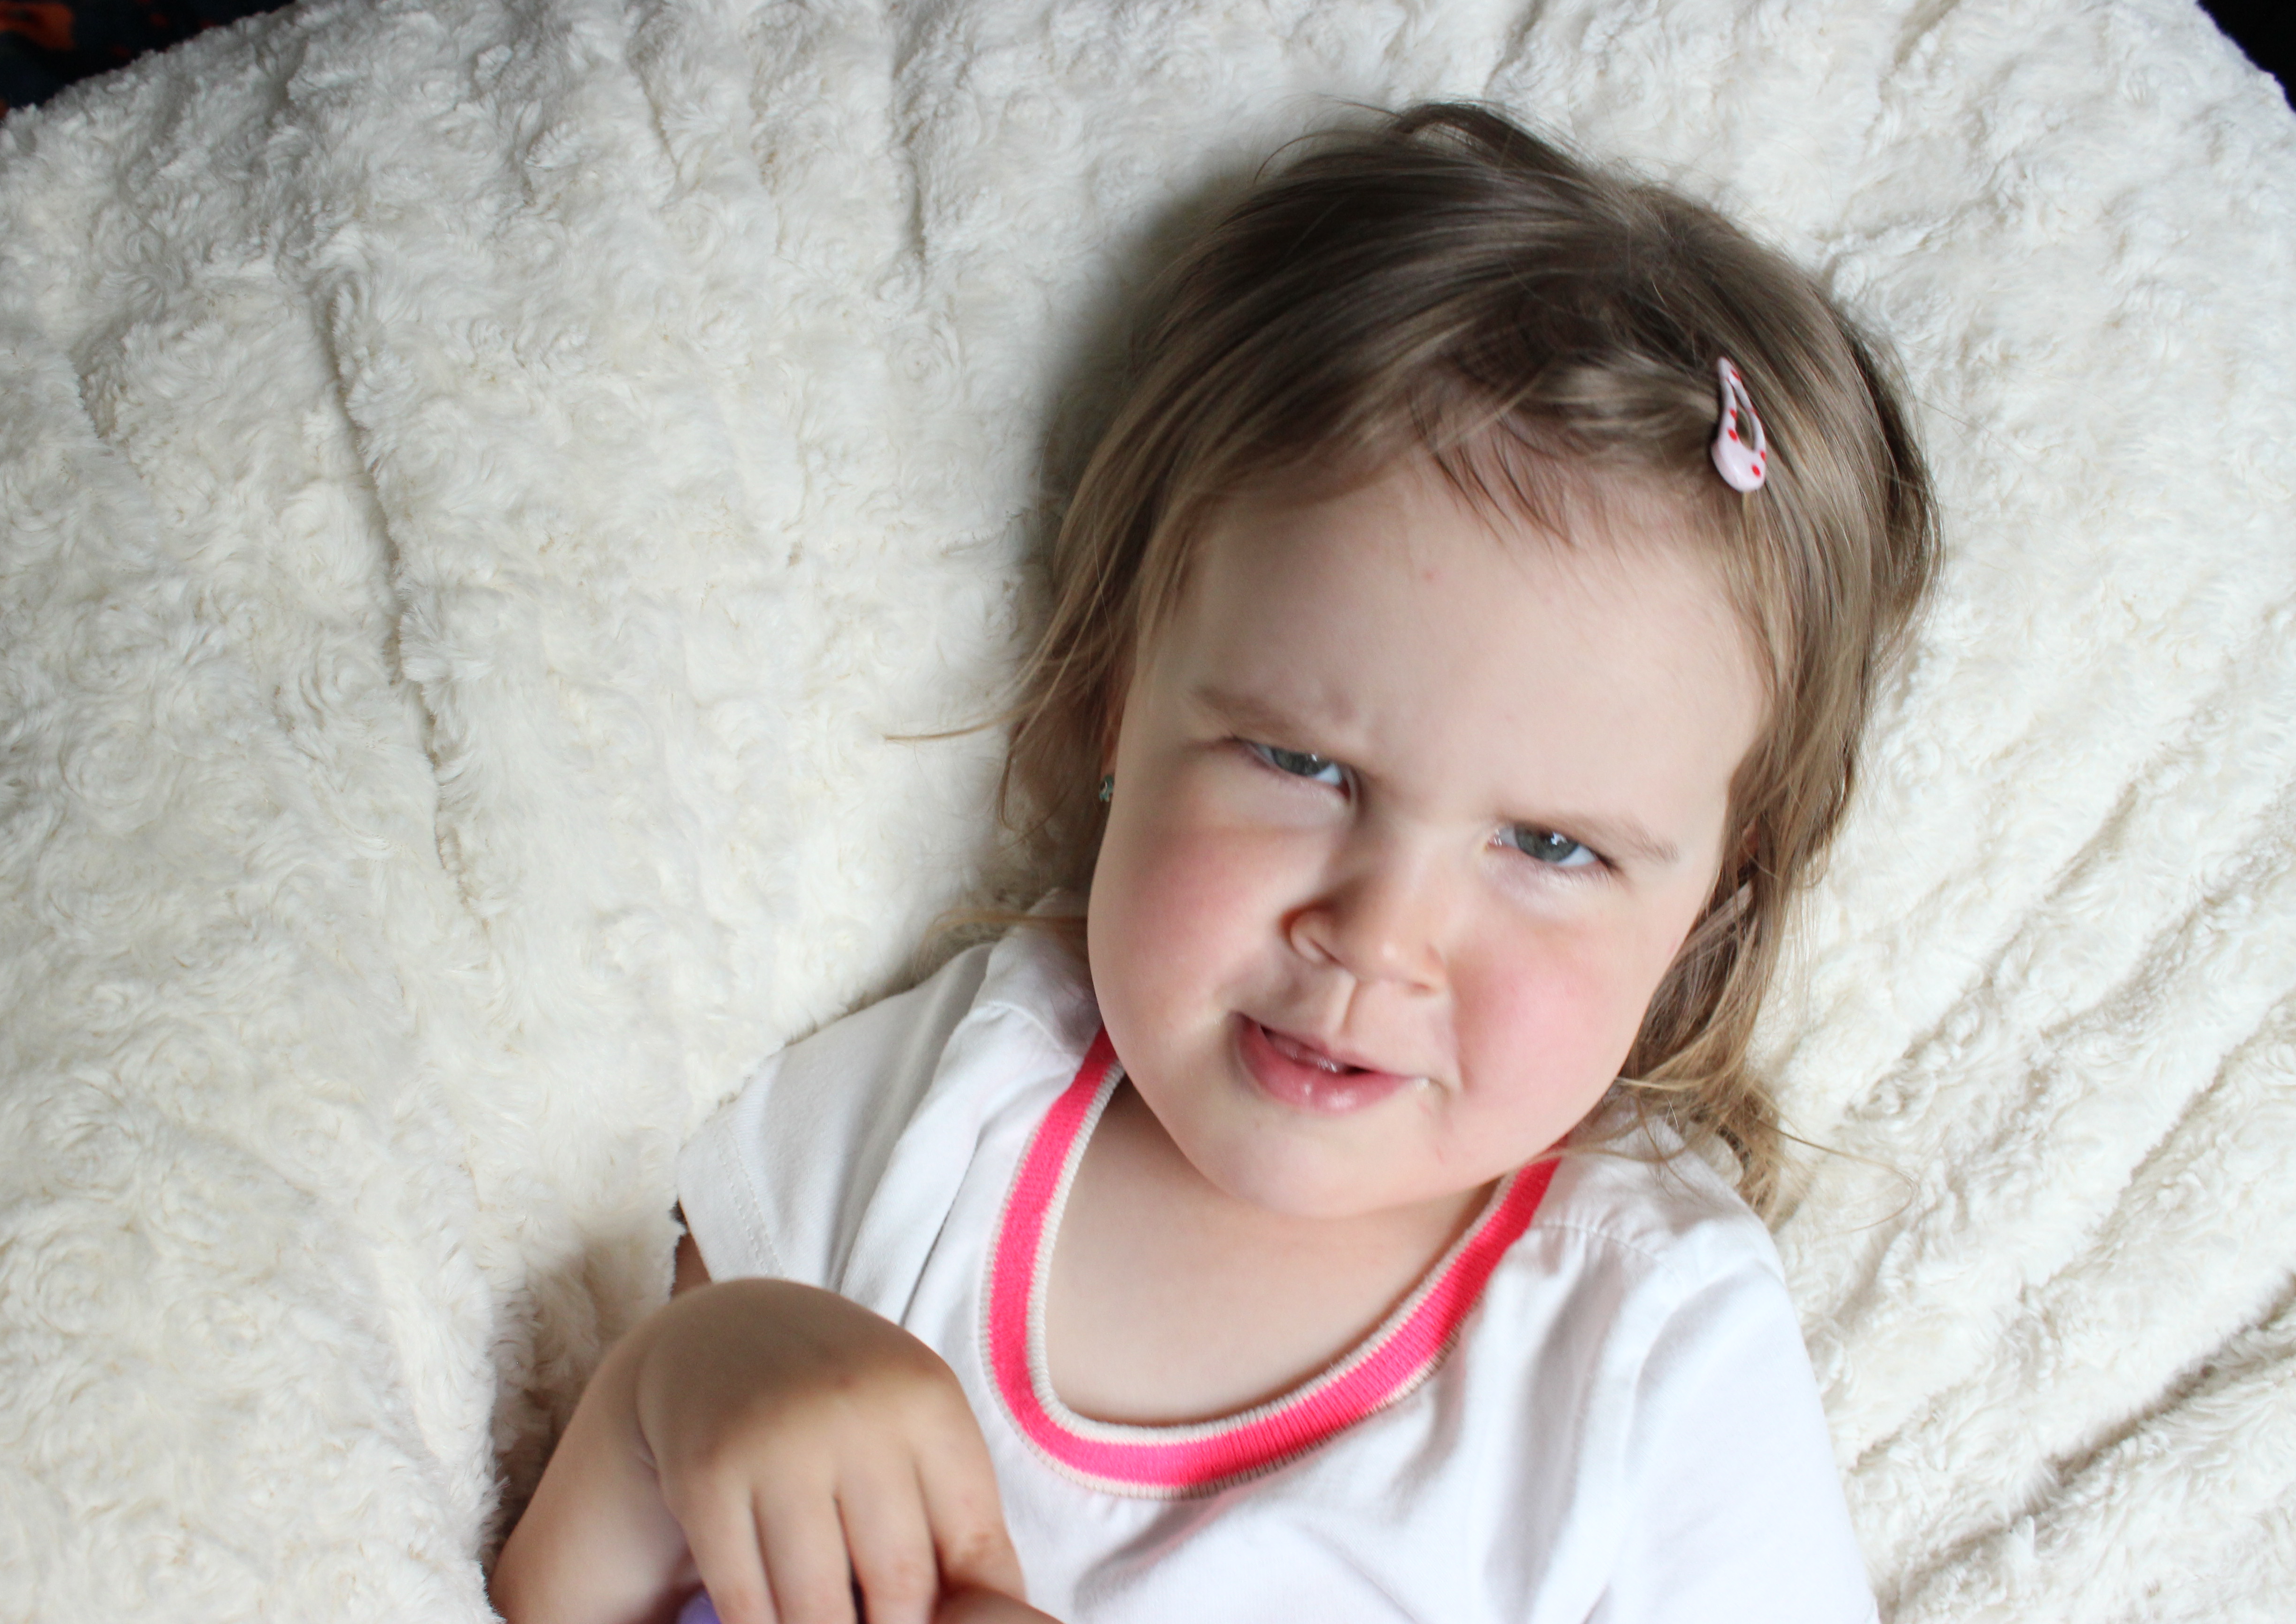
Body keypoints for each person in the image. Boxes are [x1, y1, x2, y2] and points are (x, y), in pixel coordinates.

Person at [487, 102, 1938, 1624]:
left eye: (1552, 846)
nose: (1378, 937)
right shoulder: (943, 1111)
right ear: (1121, 697)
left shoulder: (1644, 1347)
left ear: (1709, 897)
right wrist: (668, 1398)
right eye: (1302, 765)